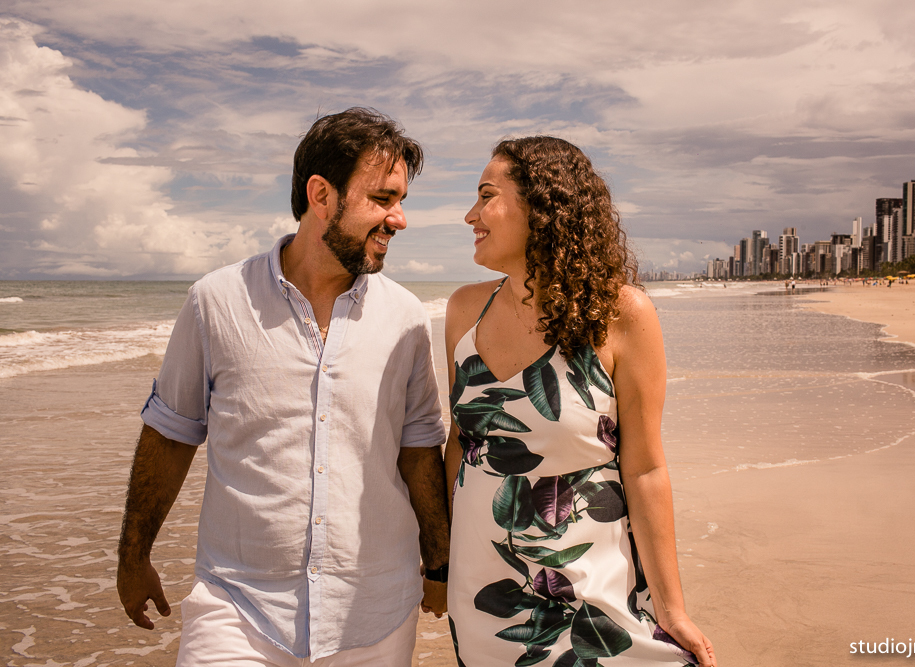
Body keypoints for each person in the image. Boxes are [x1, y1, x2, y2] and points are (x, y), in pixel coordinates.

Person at [117, 107, 450, 665]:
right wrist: (133, 555)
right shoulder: (216, 301)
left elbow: (418, 450)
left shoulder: (407, 317)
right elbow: (170, 434)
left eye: (401, 201)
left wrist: (438, 565)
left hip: (376, 610)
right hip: (237, 606)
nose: (398, 219)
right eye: (382, 199)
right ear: (321, 195)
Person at [444, 137, 715, 666]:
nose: (470, 215)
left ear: (541, 207)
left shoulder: (621, 315)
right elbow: (461, 446)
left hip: (591, 593)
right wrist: (441, 566)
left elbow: (645, 469)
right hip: (483, 597)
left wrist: (673, 608)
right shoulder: (463, 311)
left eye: (486, 196)